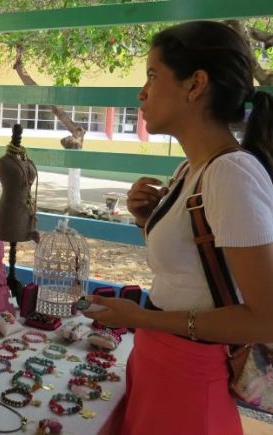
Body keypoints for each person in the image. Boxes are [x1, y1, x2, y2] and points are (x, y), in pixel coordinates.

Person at [83, 21, 273, 435]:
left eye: (153, 76)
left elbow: (265, 319)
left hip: (191, 381)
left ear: (195, 84)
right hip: (162, 367)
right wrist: (145, 220)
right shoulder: (192, 168)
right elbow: (192, 272)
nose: (142, 92)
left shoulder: (230, 175)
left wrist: (143, 318)